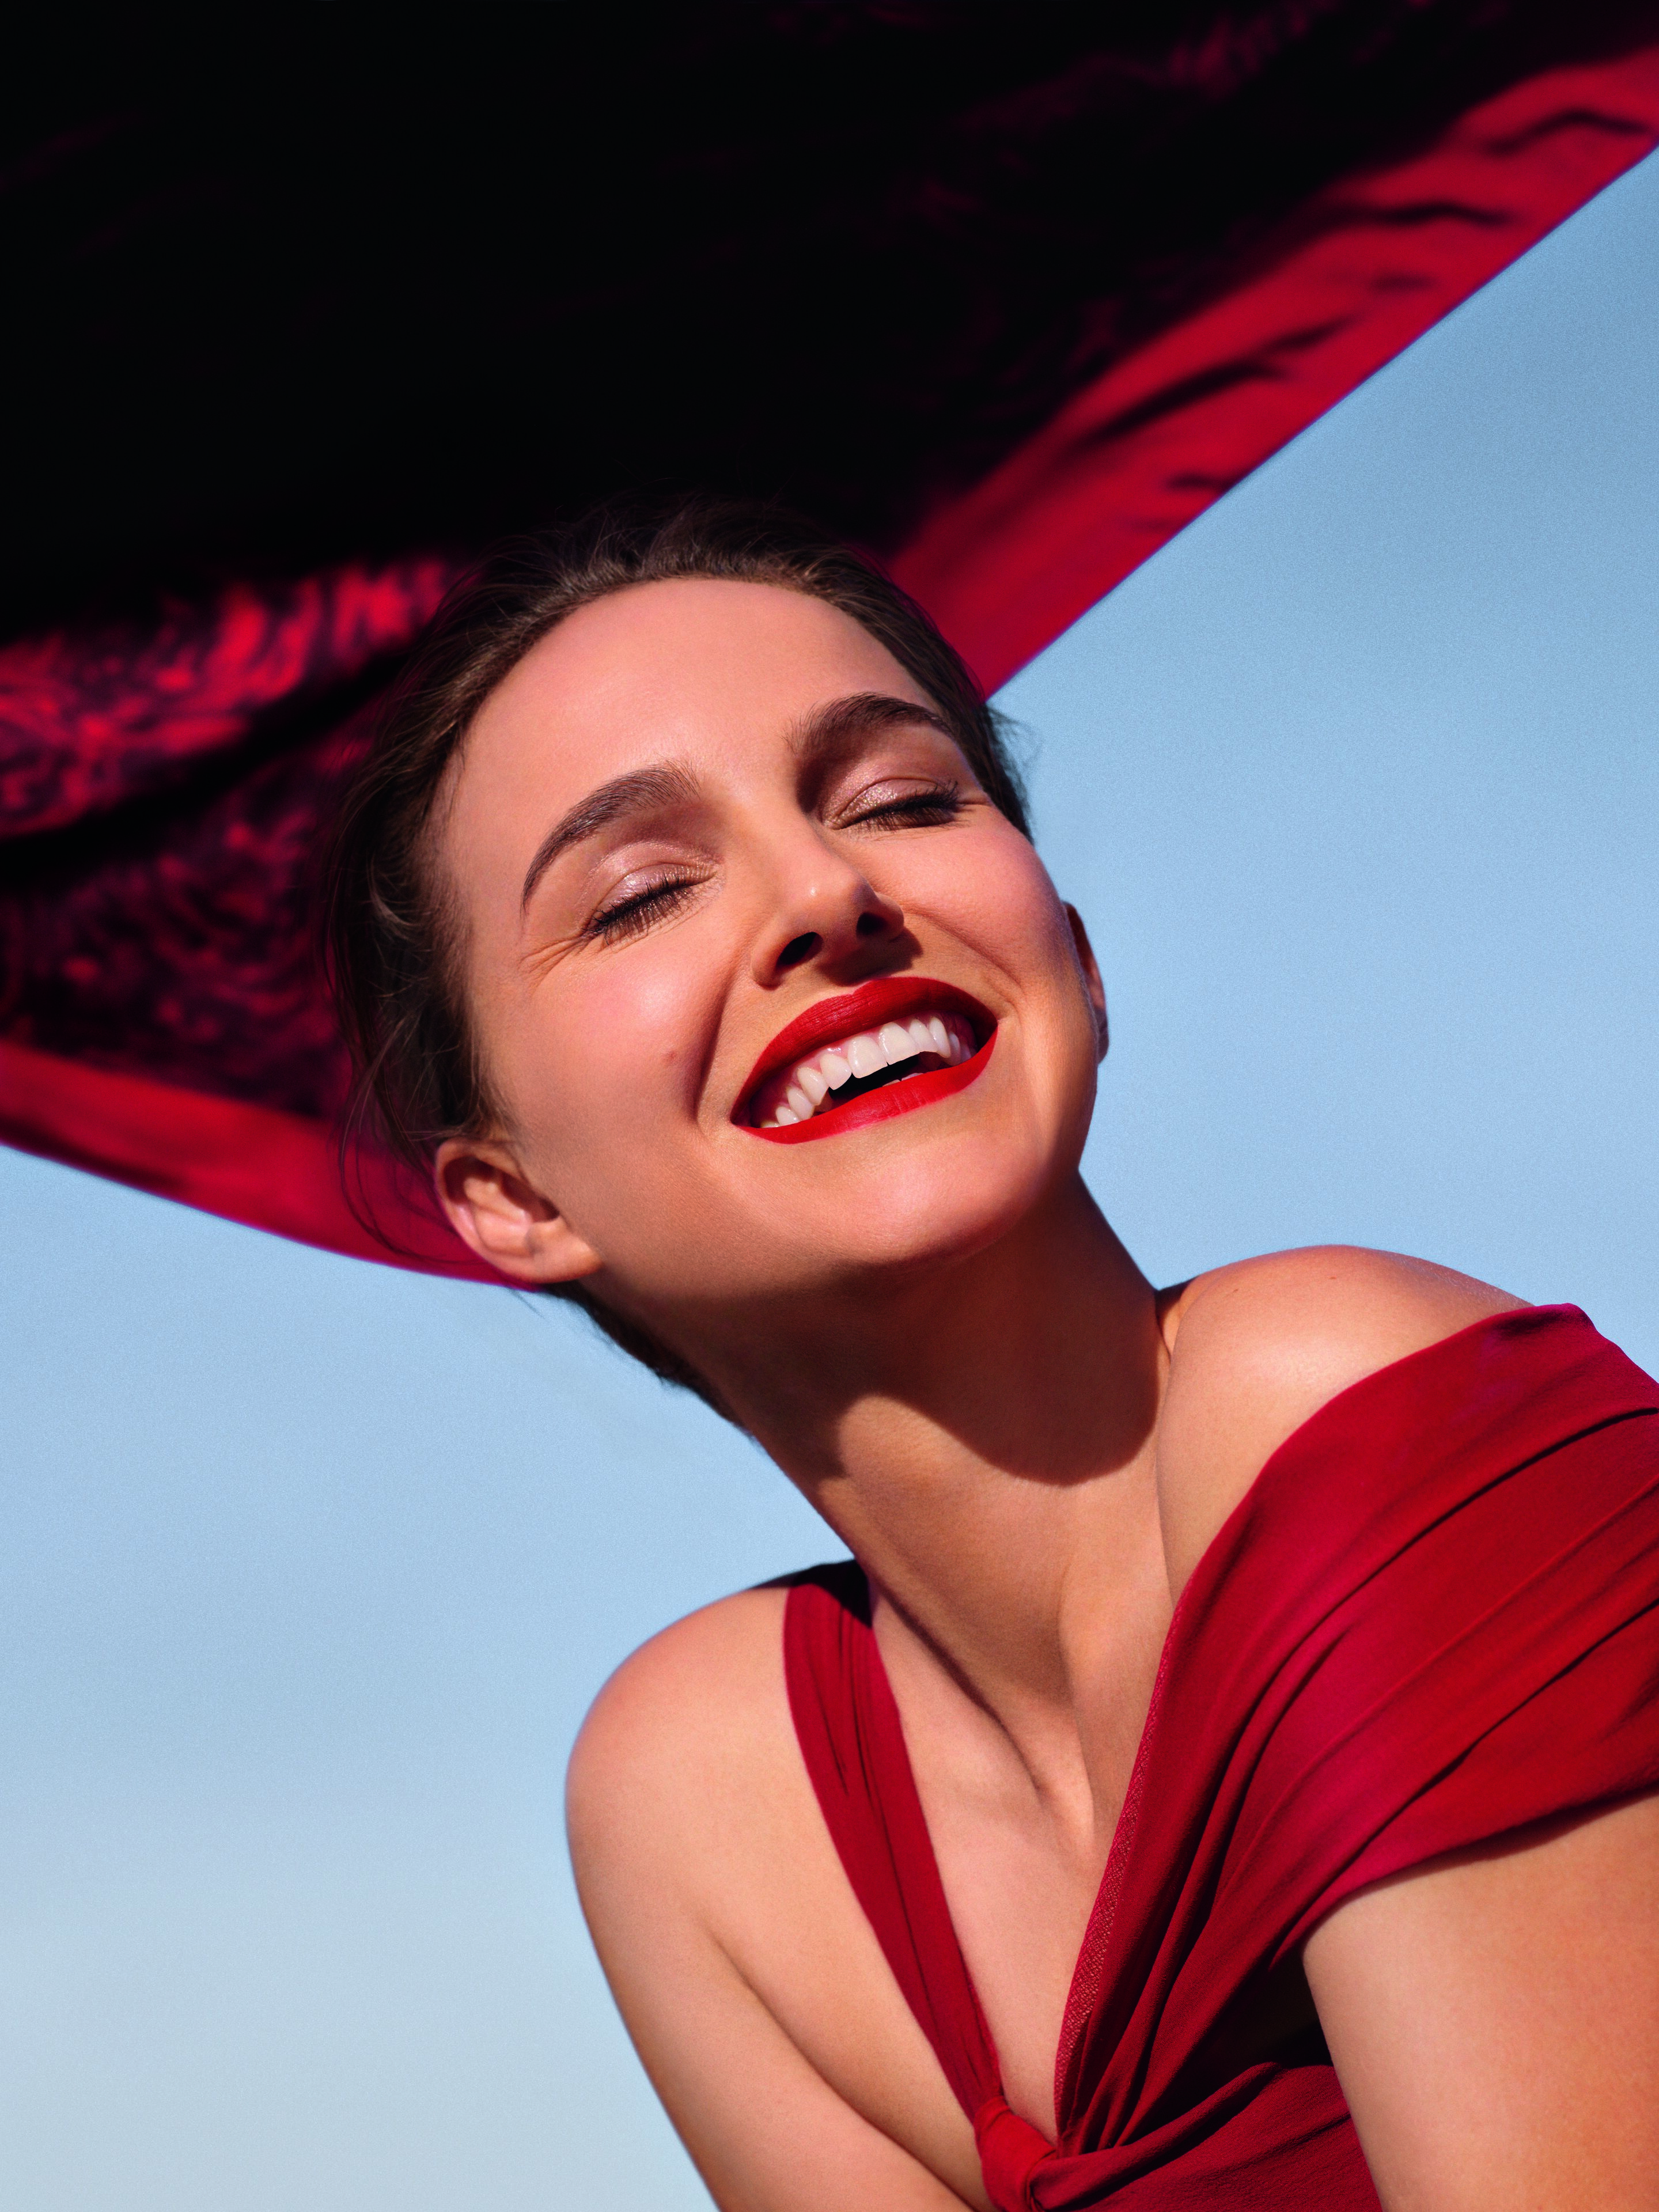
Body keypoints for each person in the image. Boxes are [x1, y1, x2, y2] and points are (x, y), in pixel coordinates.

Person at [323, 498, 1659, 2211]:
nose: (828, 892)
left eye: (902, 800)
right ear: (508, 1200)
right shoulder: (707, 1806)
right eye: (643, 893)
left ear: (1076, 966)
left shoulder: (1343, 1404)